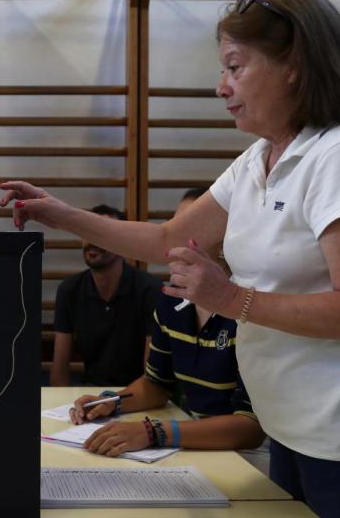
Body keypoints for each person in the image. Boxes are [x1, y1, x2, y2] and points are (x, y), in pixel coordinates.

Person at [0, 0, 340, 517]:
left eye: (235, 67)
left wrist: (231, 298)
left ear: (294, 65)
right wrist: (56, 212)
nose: (221, 86)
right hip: (293, 421)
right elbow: (169, 239)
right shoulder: (262, 158)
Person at [69, 189, 266, 466]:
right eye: (173, 226)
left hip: (250, 459)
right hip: (192, 446)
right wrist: (112, 401)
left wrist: (154, 431)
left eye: (188, 227)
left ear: (225, 241)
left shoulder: (250, 307)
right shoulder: (172, 300)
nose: (173, 240)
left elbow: (251, 428)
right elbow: (156, 385)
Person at [51, 204, 160, 387]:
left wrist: (116, 403)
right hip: (89, 395)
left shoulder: (150, 290)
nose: (92, 241)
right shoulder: (69, 290)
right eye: (88, 232)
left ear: (123, 244)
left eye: (102, 234)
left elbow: (152, 378)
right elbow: (59, 371)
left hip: (139, 396)